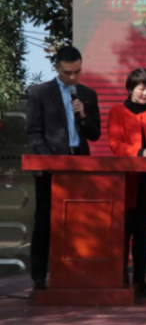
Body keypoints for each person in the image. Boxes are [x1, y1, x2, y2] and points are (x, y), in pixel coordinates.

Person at [25, 45, 101, 293]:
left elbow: (95, 134)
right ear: (57, 67)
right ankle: (39, 278)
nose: (73, 77)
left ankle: (77, 273)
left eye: (77, 72)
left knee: (79, 221)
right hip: (50, 168)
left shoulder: (88, 94)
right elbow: (34, 132)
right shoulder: (40, 92)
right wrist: (51, 161)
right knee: (45, 222)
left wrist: (83, 116)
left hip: (79, 166)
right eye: (68, 72)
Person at [108, 68, 146, 297]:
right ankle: (120, 278)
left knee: (143, 232)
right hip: (126, 180)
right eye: (142, 88)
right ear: (130, 88)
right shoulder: (117, 111)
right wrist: (140, 152)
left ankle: (140, 281)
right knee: (124, 232)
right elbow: (115, 143)